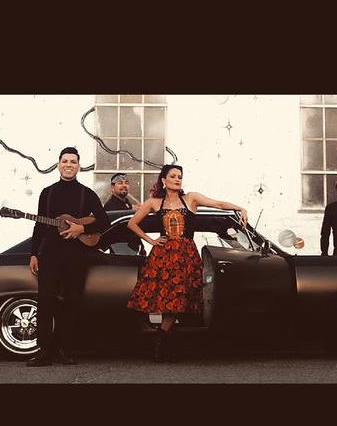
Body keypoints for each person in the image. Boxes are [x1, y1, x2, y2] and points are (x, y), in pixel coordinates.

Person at [126, 164, 248, 362]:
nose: (177, 179)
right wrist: (152, 241)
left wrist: (239, 207)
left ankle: (162, 341)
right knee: (166, 300)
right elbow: (132, 223)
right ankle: (162, 343)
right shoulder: (154, 202)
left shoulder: (191, 198)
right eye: (173, 176)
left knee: (180, 300)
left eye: (180, 176)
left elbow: (217, 204)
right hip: (163, 255)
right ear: (164, 181)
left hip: (185, 255)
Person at [26, 147, 109, 367]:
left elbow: (104, 221)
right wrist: (34, 253)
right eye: (65, 161)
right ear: (58, 164)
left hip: (77, 255)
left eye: (73, 161)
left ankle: (66, 350)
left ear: (79, 166)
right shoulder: (48, 192)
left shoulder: (87, 193)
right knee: (45, 301)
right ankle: (44, 350)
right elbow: (39, 225)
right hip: (50, 254)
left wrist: (81, 230)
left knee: (72, 302)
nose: (69, 165)